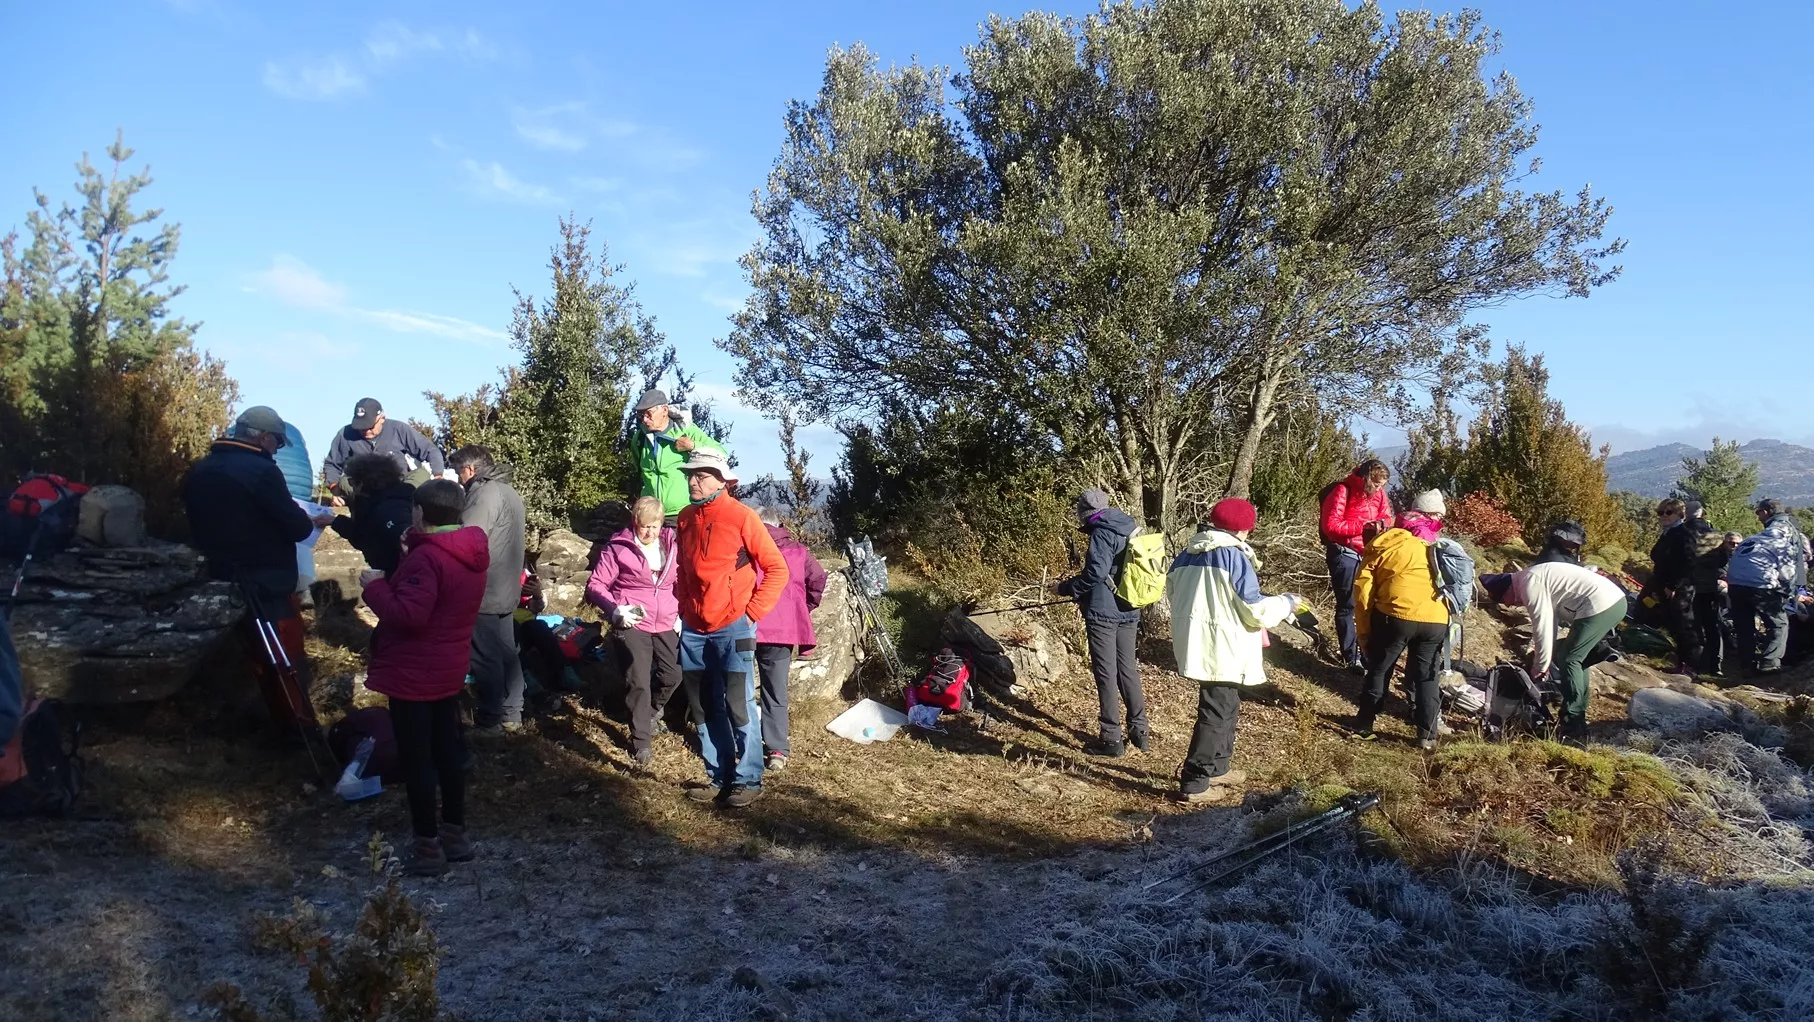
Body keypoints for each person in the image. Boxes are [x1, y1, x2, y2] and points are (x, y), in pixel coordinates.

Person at [359, 479, 490, 876]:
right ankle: (455, 834)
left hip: (414, 671)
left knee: (417, 760)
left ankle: (427, 846)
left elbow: (409, 615)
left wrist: (375, 587)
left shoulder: (427, 558)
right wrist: (409, 552)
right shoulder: (469, 551)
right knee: (447, 753)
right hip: (449, 664)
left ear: (419, 512)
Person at [182, 406, 337, 732]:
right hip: (266, 580)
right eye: (278, 443)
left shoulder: (201, 469)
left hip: (219, 575)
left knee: (245, 658)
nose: (277, 450)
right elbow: (295, 527)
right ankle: (298, 729)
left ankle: (250, 720)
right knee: (284, 658)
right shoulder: (262, 471)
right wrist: (303, 519)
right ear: (264, 438)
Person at [673, 450, 788, 807]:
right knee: (704, 706)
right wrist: (683, 606)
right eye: (690, 475)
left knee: (738, 704)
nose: (693, 481)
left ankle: (749, 778)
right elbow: (681, 569)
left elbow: (776, 569)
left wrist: (750, 614)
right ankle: (718, 776)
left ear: (723, 481)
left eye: (702, 475)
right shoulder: (686, 518)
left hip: (733, 627)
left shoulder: (741, 517)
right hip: (693, 629)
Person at [1167, 499, 1301, 803]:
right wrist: (1286, 603)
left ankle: (1218, 766)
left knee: (1225, 705)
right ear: (1245, 527)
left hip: (1198, 639)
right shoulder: (1234, 556)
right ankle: (1195, 782)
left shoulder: (1188, 554)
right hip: (1223, 643)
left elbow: (1175, 594)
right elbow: (1254, 609)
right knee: (1216, 712)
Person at [1482, 561, 1628, 743]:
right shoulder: (1533, 577)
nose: (1513, 604)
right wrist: (1544, 658)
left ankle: (1573, 724)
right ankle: (1577, 712)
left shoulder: (1529, 584)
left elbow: (1541, 627)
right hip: (1612, 601)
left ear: (1507, 590)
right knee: (1574, 658)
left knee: (1570, 659)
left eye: (1508, 601)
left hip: (1600, 604)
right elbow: (1550, 623)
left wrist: (1539, 668)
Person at [587, 497, 685, 765]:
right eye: (644, 527)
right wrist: (615, 610)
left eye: (655, 526)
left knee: (673, 674)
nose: (649, 532)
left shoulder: (672, 544)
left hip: (666, 620)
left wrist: (681, 612)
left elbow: (682, 581)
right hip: (633, 621)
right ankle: (641, 741)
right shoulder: (618, 547)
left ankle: (649, 712)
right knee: (638, 680)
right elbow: (596, 585)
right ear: (635, 523)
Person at [1352, 491, 1452, 748]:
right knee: (1426, 676)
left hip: (1395, 616)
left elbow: (1363, 593)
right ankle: (1427, 736)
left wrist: (1364, 634)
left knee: (1380, 668)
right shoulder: (1435, 544)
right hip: (1436, 618)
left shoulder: (1385, 544)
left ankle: (1364, 725)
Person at [1055, 489, 1148, 757]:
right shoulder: (1130, 526)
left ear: (1084, 511)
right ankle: (1140, 732)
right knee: (1127, 670)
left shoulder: (1102, 531)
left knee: (1106, 674)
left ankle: (1111, 739)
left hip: (1104, 612)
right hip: (1130, 607)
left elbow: (1095, 573)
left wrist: (1066, 588)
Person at [449, 446, 527, 737]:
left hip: (484, 588)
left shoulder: (483, 495)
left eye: (459, 472)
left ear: (470, 469)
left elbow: (467, 539)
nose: (458, 479)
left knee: (486, 655)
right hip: (507, 586)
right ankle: (513, 712)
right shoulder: (510, 492)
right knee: (508, 651)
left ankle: (491, 720)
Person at [751, 505, 827, 771]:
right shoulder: (798, 551)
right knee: (776, 691)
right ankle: (777, 750)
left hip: (745, 625)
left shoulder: (747, 548)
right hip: (781, 629)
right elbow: (818, 579)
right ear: (778, 524)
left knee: (740, 689)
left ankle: (744, 743)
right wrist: (801, 608)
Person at [1319, 459, 1394, 673]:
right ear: (1367, 477)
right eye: (1377, 484)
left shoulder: (1379, 495)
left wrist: (1383, 526)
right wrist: (1364, 527)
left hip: (1369, 554)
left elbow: (1387, 517)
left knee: (1369, 606)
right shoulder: (1343, 490)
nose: (1380, 489)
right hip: (1345, 553)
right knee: (1348, 605)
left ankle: (1367, 655)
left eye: (1383, 485)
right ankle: (1350, 657)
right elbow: (1331, 526)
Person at [1727, 499, 1809, 677]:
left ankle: (1746, 665)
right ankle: (1769, 663)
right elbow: (1788, 572)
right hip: (1761, 586)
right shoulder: (1782, 541)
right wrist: (1788, 593)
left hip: (1735, 584)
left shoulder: (1751, 540)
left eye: (1758, 513)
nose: (1757, 518)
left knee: (1744, 627)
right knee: (1778, 624)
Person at [321, 398, 445, 506]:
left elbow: (431, 450)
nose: (365, 431)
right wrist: (335, 490)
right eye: (360, 427)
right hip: (363, 489)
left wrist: (437, 476)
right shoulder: (345, 434)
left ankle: (399, 501)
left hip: (400, 485)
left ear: (382, 419)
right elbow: (332, 464)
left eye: (370, 426)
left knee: (422, 474)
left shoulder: (399, 429)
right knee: (344, 482)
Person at [632, 389, 725, 523]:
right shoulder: (640, 438)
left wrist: (693, 446)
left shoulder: (687, 431)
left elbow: (721, 453)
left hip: (681, 515)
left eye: (649, 414)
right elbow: (638, 468)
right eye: (642, 415)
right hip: (649, 514)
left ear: (664, 410)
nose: (645, 419)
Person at [1648, 498, 1715, 676]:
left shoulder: (1683, 533)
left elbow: (1689, 562)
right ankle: (1682, 664)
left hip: (1681, 588)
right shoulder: (1668, 533)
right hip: (1666, 587)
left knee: (1686, 627)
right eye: (1660, 512)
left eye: (1669, 512)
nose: (1664, 516)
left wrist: (1673, 585)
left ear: (1680, 514)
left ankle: (1694, 667)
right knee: (1674, 626)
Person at [327, 453, 416, 574]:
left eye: (352, 481)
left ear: (363, 482)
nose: (351, 486)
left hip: (399, 573)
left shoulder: (387, 507)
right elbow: (363, 535)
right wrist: (334, 521)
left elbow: (369, 539)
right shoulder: (375, 502)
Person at [274, 422, 317, 602]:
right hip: (300, 489)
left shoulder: (239, 431)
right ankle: (305, 588)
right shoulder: (294, 433)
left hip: (275, 486)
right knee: (300, 542)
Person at [1695, 532, 1743, 676]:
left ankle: (1720, 661)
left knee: (1719, 626)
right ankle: (1710, 662)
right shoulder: (1717, 555)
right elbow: (1716, 570)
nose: (1734, 546)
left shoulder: (1743, 557)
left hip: (1734, 595)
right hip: (1714, 593)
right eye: (1731, 543)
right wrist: (1722, 578)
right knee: (1712, 625)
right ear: (1724, 542)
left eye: (1737, 544)